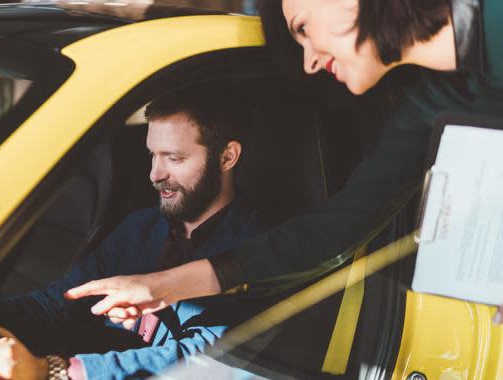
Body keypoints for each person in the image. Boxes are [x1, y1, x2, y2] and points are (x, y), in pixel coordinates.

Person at [65, 0, 503, 326]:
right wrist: (163, 286)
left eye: (304, 28)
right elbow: (332, 233)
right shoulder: (430, 105)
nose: (310, 61)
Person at [0, 83, 267, 379]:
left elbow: (204, 360)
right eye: (152, 155)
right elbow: (57, 304)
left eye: (174, 158)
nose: (155, 175)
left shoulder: (256, 251)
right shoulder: (140, 228)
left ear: (227, 157)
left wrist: (52, 372)